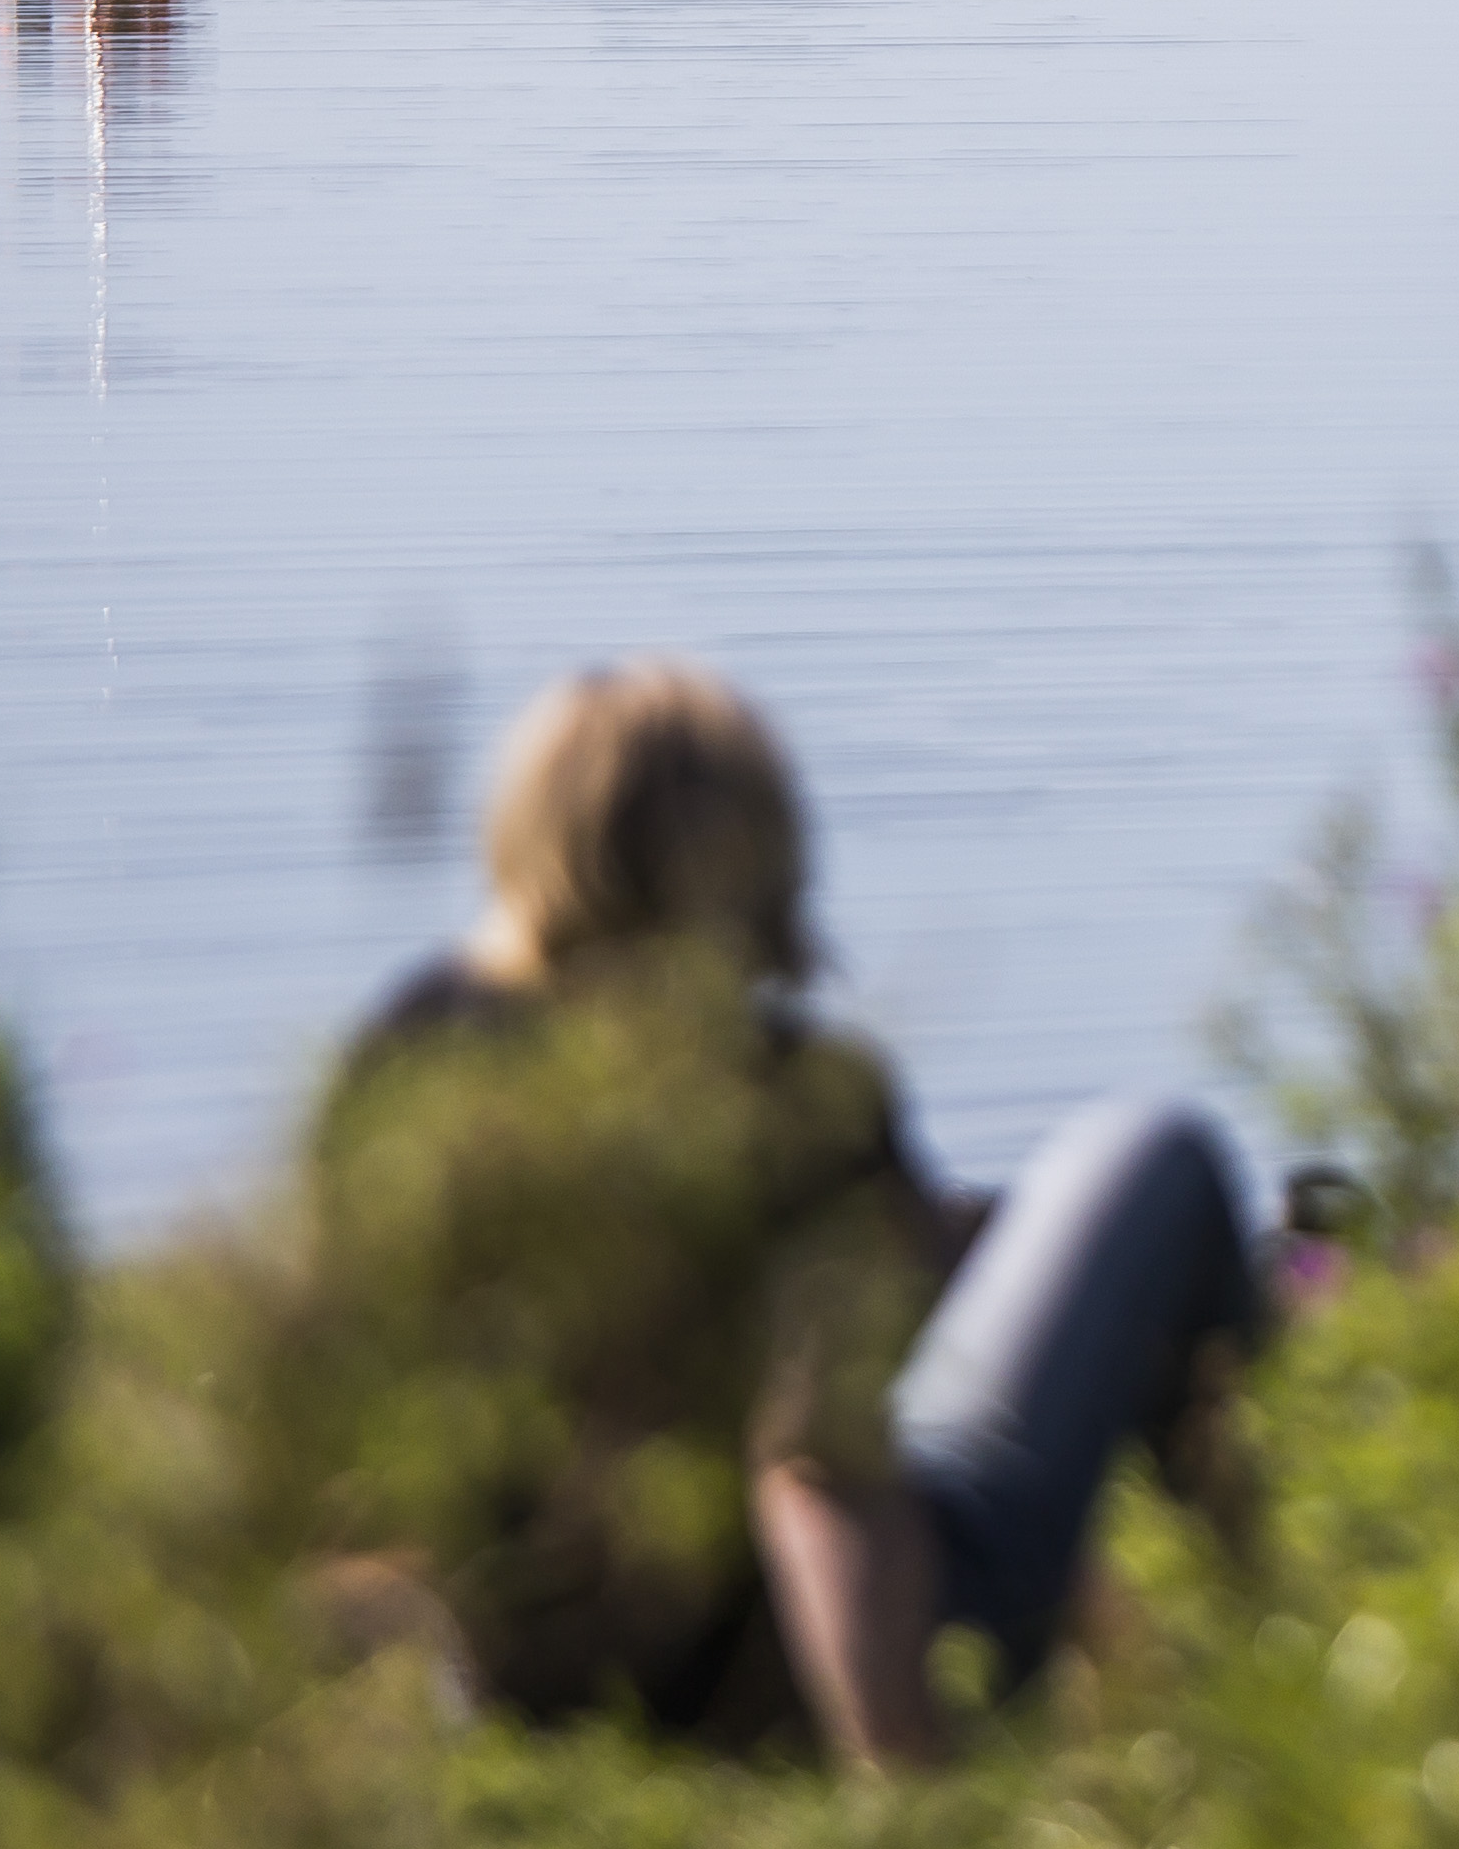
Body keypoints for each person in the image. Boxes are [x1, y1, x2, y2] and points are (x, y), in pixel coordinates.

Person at [318, 662, 1271, 1767]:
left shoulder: (403, 1060)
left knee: (1002, 1261)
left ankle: (1151, 1646)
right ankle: (1265, 1660)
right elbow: (819, 1472)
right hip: (798, 1685)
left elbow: (342, 1406)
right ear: (759, 856)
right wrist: (897, 1764)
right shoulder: (791, 1090)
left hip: (514, 1691)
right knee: (1160, 1162)